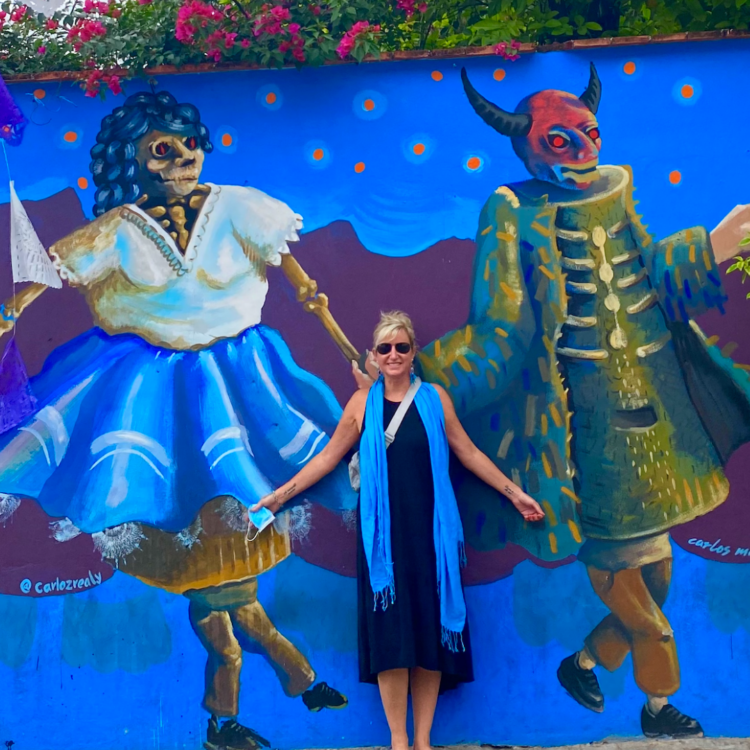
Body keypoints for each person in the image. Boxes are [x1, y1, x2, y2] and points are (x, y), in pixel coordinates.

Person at [0, 90, 354, 750]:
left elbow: (304, 286)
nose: (185, 156)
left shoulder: (240, 207)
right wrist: (9, 312)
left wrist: (349, 351)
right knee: (199, 539)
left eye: (191, 142)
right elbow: (50, 274)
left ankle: (274, 691)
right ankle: (282, 688)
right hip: (151, 390)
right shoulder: (119, 229)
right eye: (164, 147)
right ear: (138, 159)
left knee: (235, 533)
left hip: (239, 380)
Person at [415, 63, 750, 739]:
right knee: (644, 610)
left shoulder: (618, 187)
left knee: (653, 578)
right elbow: (501, 324)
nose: (585, 150)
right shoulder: (510, 208)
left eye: (589, 134)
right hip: (579, 427)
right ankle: (661, 710)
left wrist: (712, 247)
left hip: (657, 417)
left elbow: (653, 272)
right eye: (563, 141)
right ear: (530, 145)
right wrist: (424, 381)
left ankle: (584, 662)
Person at [252, 310, 544, 750]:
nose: (393, 355)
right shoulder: (360, 405)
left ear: (413, 354)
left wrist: (514, 493)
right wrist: (279, 496)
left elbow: (467, 452)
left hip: (431, 536)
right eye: (385, 348)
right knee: (393, 638)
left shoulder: (434, 399)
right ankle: (399, 740)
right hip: (382, 543)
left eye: (401, 347)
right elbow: (329, 458)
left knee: (428, 634)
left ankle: (423, 740)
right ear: (374, 355)